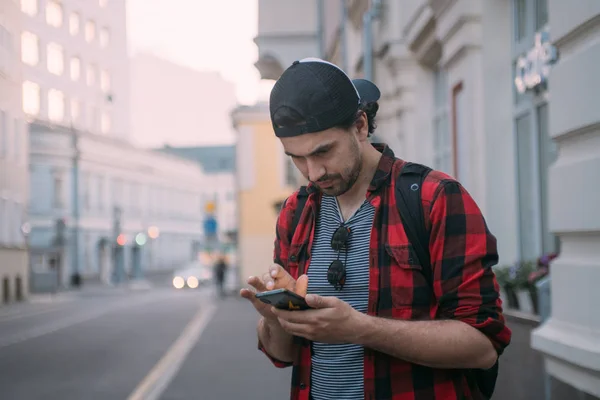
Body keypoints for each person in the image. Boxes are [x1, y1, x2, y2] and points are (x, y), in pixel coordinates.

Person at [240, 58, 512, 400]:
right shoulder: (296, 212)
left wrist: (360, 329)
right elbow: (285, 355)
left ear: (360, 126)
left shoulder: (434, 198)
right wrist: (278, 319)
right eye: (296, 158)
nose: (313, 172)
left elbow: (482, 347)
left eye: (323, 151)